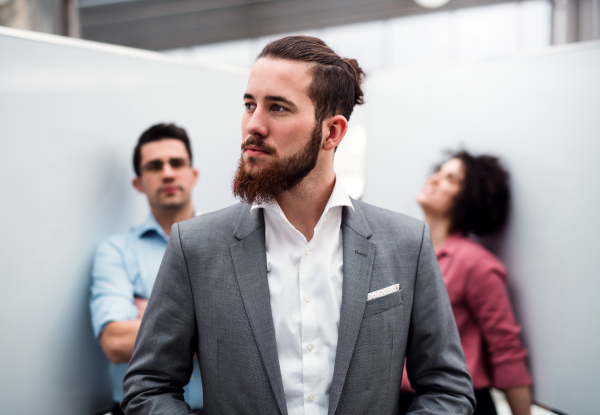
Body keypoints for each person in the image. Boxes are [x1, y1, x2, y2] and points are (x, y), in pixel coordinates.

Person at [122, 36, 475, 415]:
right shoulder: (196, 246)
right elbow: (148, 387)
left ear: (332, 132)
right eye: (249, 105)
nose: (253, 125)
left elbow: (448, 389)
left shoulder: (406, 243)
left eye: (277, 108)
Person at [400, 151, 533, 415]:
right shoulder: (403, 251)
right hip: (402, 402)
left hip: (461, 405)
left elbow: (506, 349)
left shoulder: (476, 264)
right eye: (438, 171)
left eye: (451, 178)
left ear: (468, 197)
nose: (435, 179)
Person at [90, 123, 204, 414]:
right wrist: (204, 324)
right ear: (138, 183)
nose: (167, 172)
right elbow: (115, 342)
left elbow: (251, 336)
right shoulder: (116, 251)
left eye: (176, 163)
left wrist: (152, 316)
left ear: (193, 175)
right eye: (154, 166)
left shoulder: (228, 244)